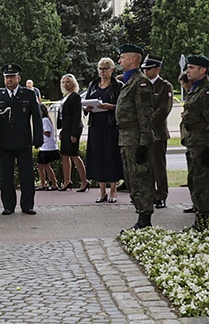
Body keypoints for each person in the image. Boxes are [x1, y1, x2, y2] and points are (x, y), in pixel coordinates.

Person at [180, 54, 209, 229]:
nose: (188, 71)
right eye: (188, 67)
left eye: (192, 68)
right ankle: (201, 220)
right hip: (194, 143)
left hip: (204, 145)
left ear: (203, 70)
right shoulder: (196, 88)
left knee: (208, 184)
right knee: (196, 182)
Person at [114, 43, 156, 230]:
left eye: (122, 57)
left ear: (133, 60)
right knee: (131, 179)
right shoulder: (129, 82)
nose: (119, 60)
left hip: (136, 138)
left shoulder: (141, 82)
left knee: (141, 178)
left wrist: (144, 143)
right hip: (126, 138)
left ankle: (145, 219)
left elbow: (145, 115)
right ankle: (140, 215)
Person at [0, 63, 43, 215]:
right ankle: (8, 205)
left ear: (19, 78)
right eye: (7, 77)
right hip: (5, 141)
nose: (9, 80)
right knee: (6, 176)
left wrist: (38, 138)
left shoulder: (28, 94)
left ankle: (27, 205)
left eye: (12, 77)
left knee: (26, 175)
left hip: (24, 140)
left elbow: (37, 117)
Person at [85, 57, 124, 204]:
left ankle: (113, 191)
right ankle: (102, 192)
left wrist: (111, 107)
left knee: (111, 157)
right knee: (98, 157)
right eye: (100, 68)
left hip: (111, 125)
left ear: (112, 70)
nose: (102, 71)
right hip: (96, 125)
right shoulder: (93, 84)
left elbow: (122, 106)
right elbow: (87, 100)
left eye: (105, 68)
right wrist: (87, 108)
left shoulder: (117, 85)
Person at [140, 54, 174, 209]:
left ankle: (161, 195)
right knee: (146, 166)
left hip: (157, 132)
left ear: (157, 69)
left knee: (158, 165)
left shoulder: (165, 86)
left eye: (149, 68)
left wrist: (147, 123)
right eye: (144, 68)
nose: (146, 71)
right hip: (142, 132)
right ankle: (150, 194)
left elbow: (163, 110)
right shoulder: (142, 84)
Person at [57, 74, 89, 192]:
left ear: (73, 83)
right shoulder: (65, 97)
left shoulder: (75, 97)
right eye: (64, 82)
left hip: (73, 129)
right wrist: (61, 130)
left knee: (74, 155)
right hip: (65, 128)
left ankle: (84, 181)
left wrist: (74, 133)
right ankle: (67, 180)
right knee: (65, 155)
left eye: (68, 82)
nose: (66, 84)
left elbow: (76, 116)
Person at [36, 102, 60, 191]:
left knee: (45, 165)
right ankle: (44, 183)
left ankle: (53, 183)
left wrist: (40, 131)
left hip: (47, 146)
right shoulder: (45, 120)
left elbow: (47, 132)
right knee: (41, 165)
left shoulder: (45, 120)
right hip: (45, 146)